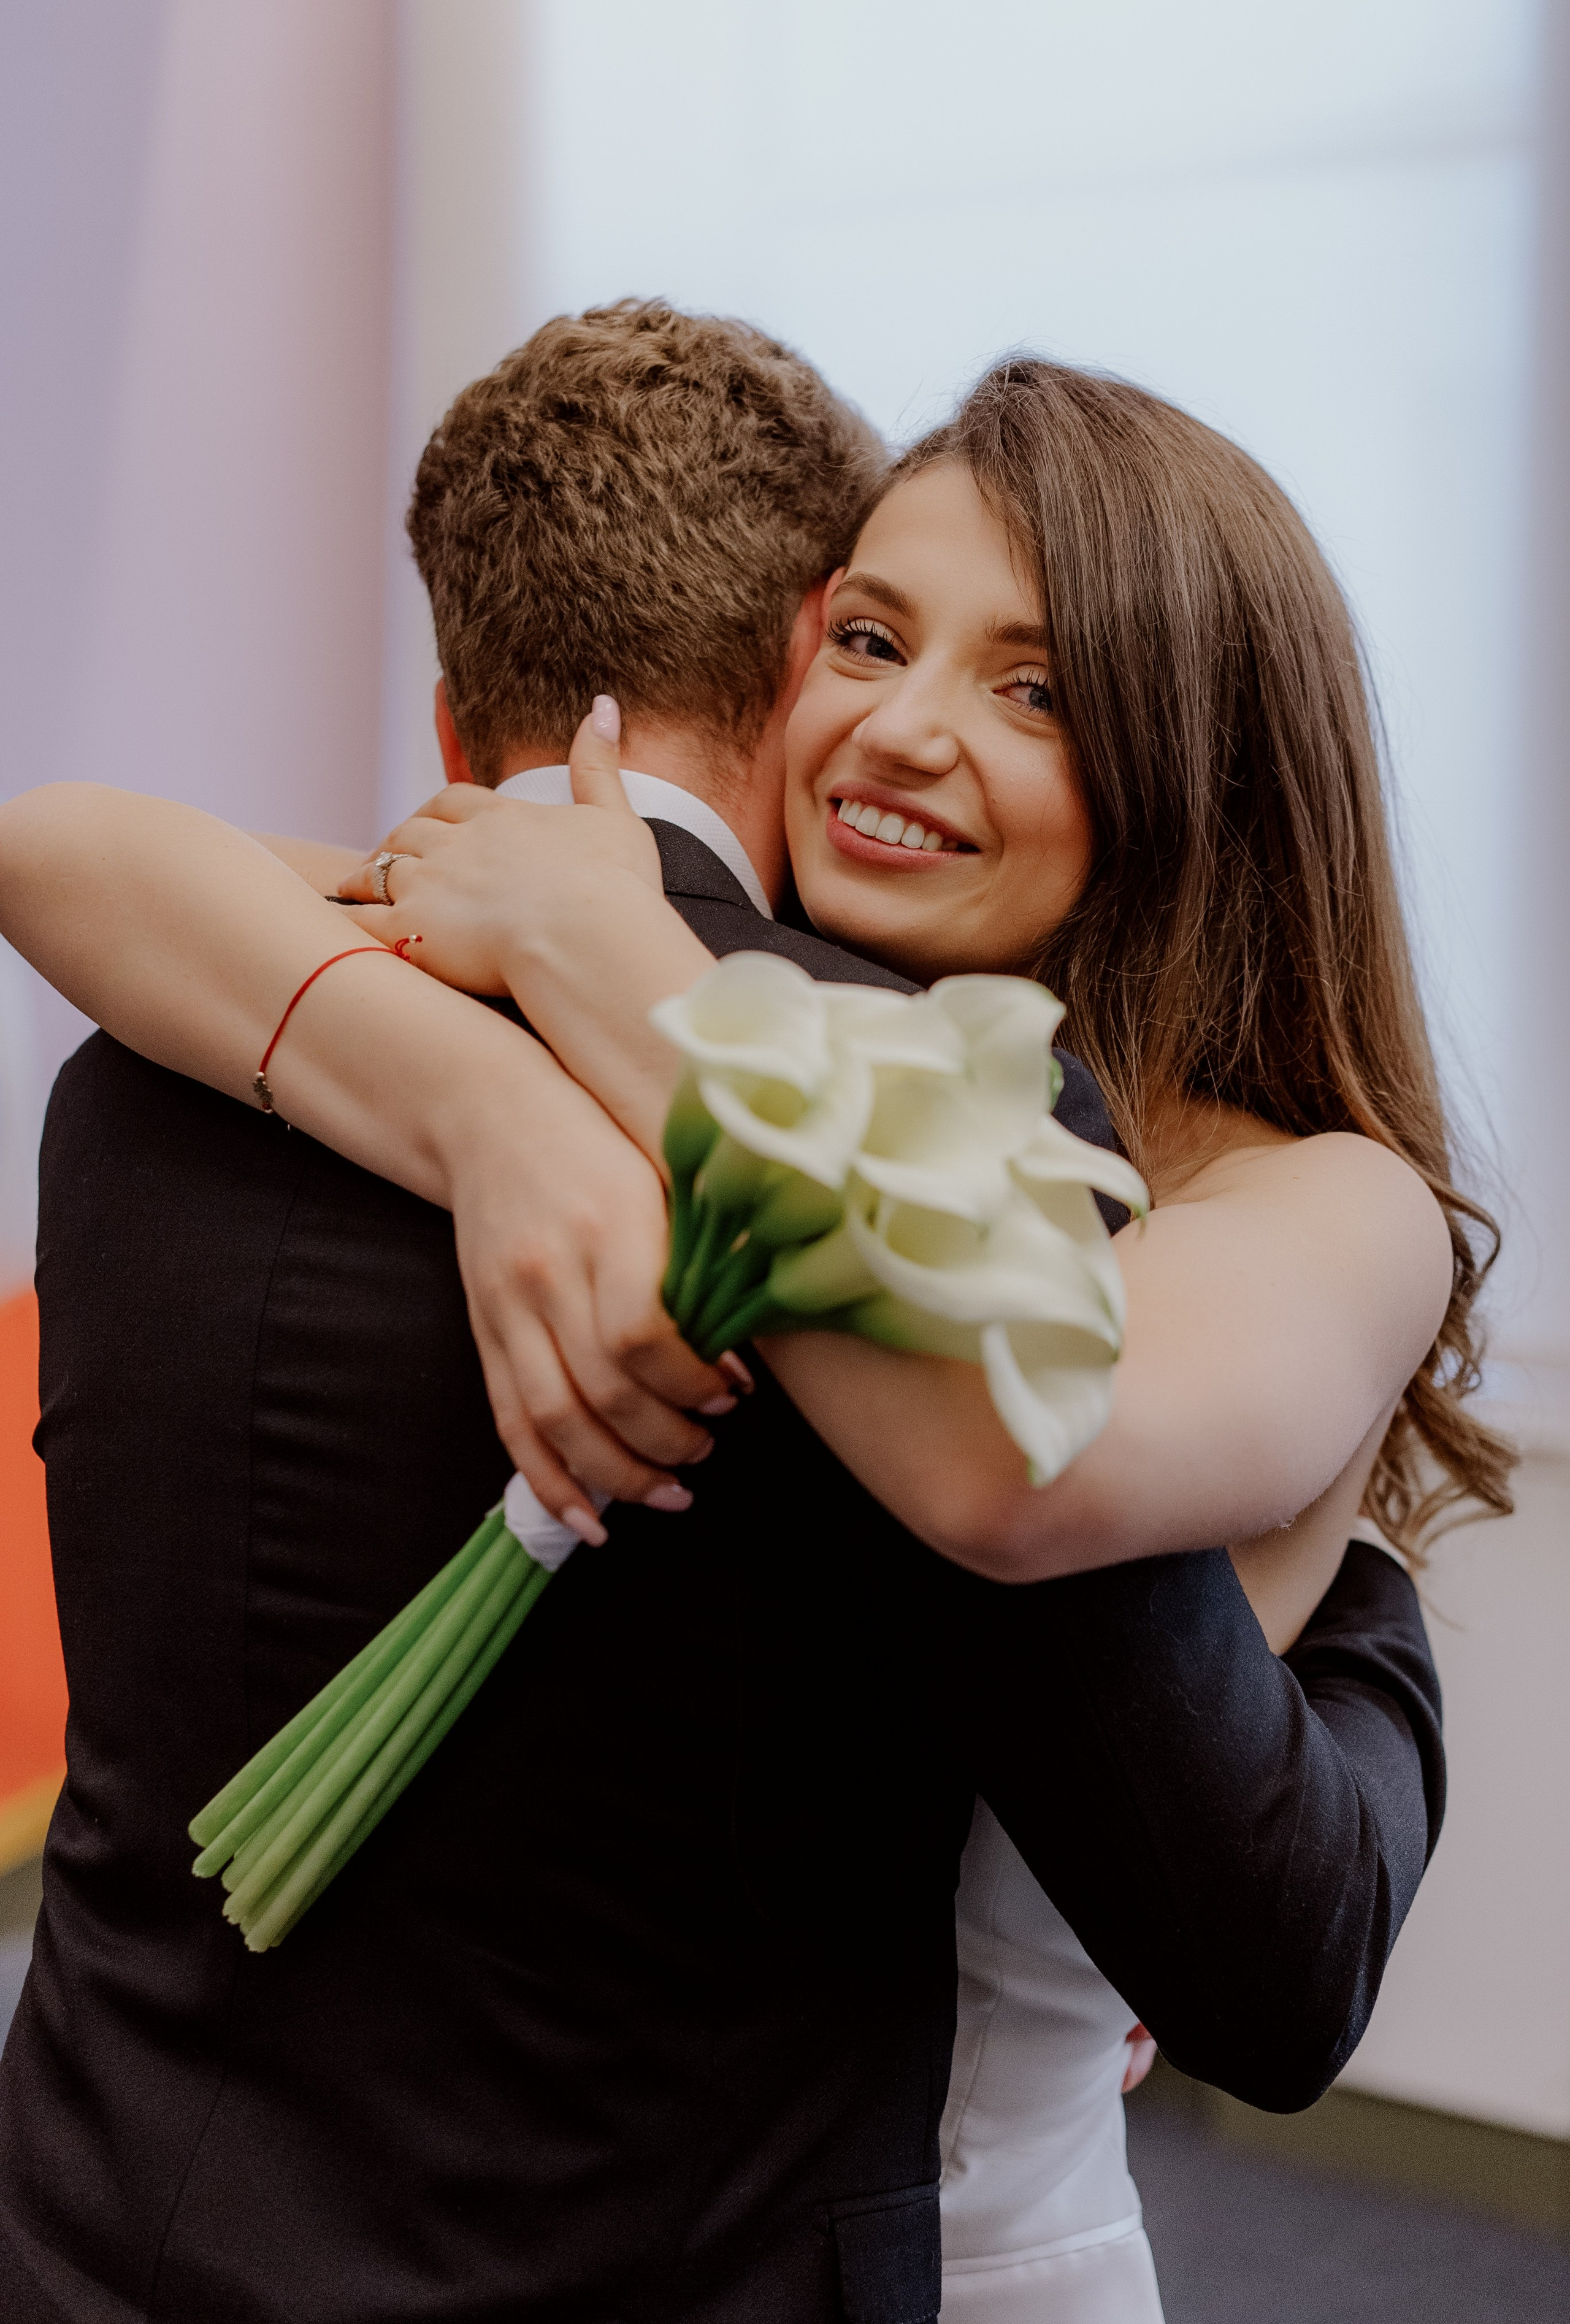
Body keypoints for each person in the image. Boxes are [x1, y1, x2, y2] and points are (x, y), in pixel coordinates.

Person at [0, 307, 1466, 2324]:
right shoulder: (639, 1012)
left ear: (1197, 760)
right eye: (869, 641)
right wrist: (511, 1104)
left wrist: (608, 956)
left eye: (1033, 685)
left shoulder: (1191, 1188)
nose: (898, 726)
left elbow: (1015, 1456)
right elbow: (75, 851)